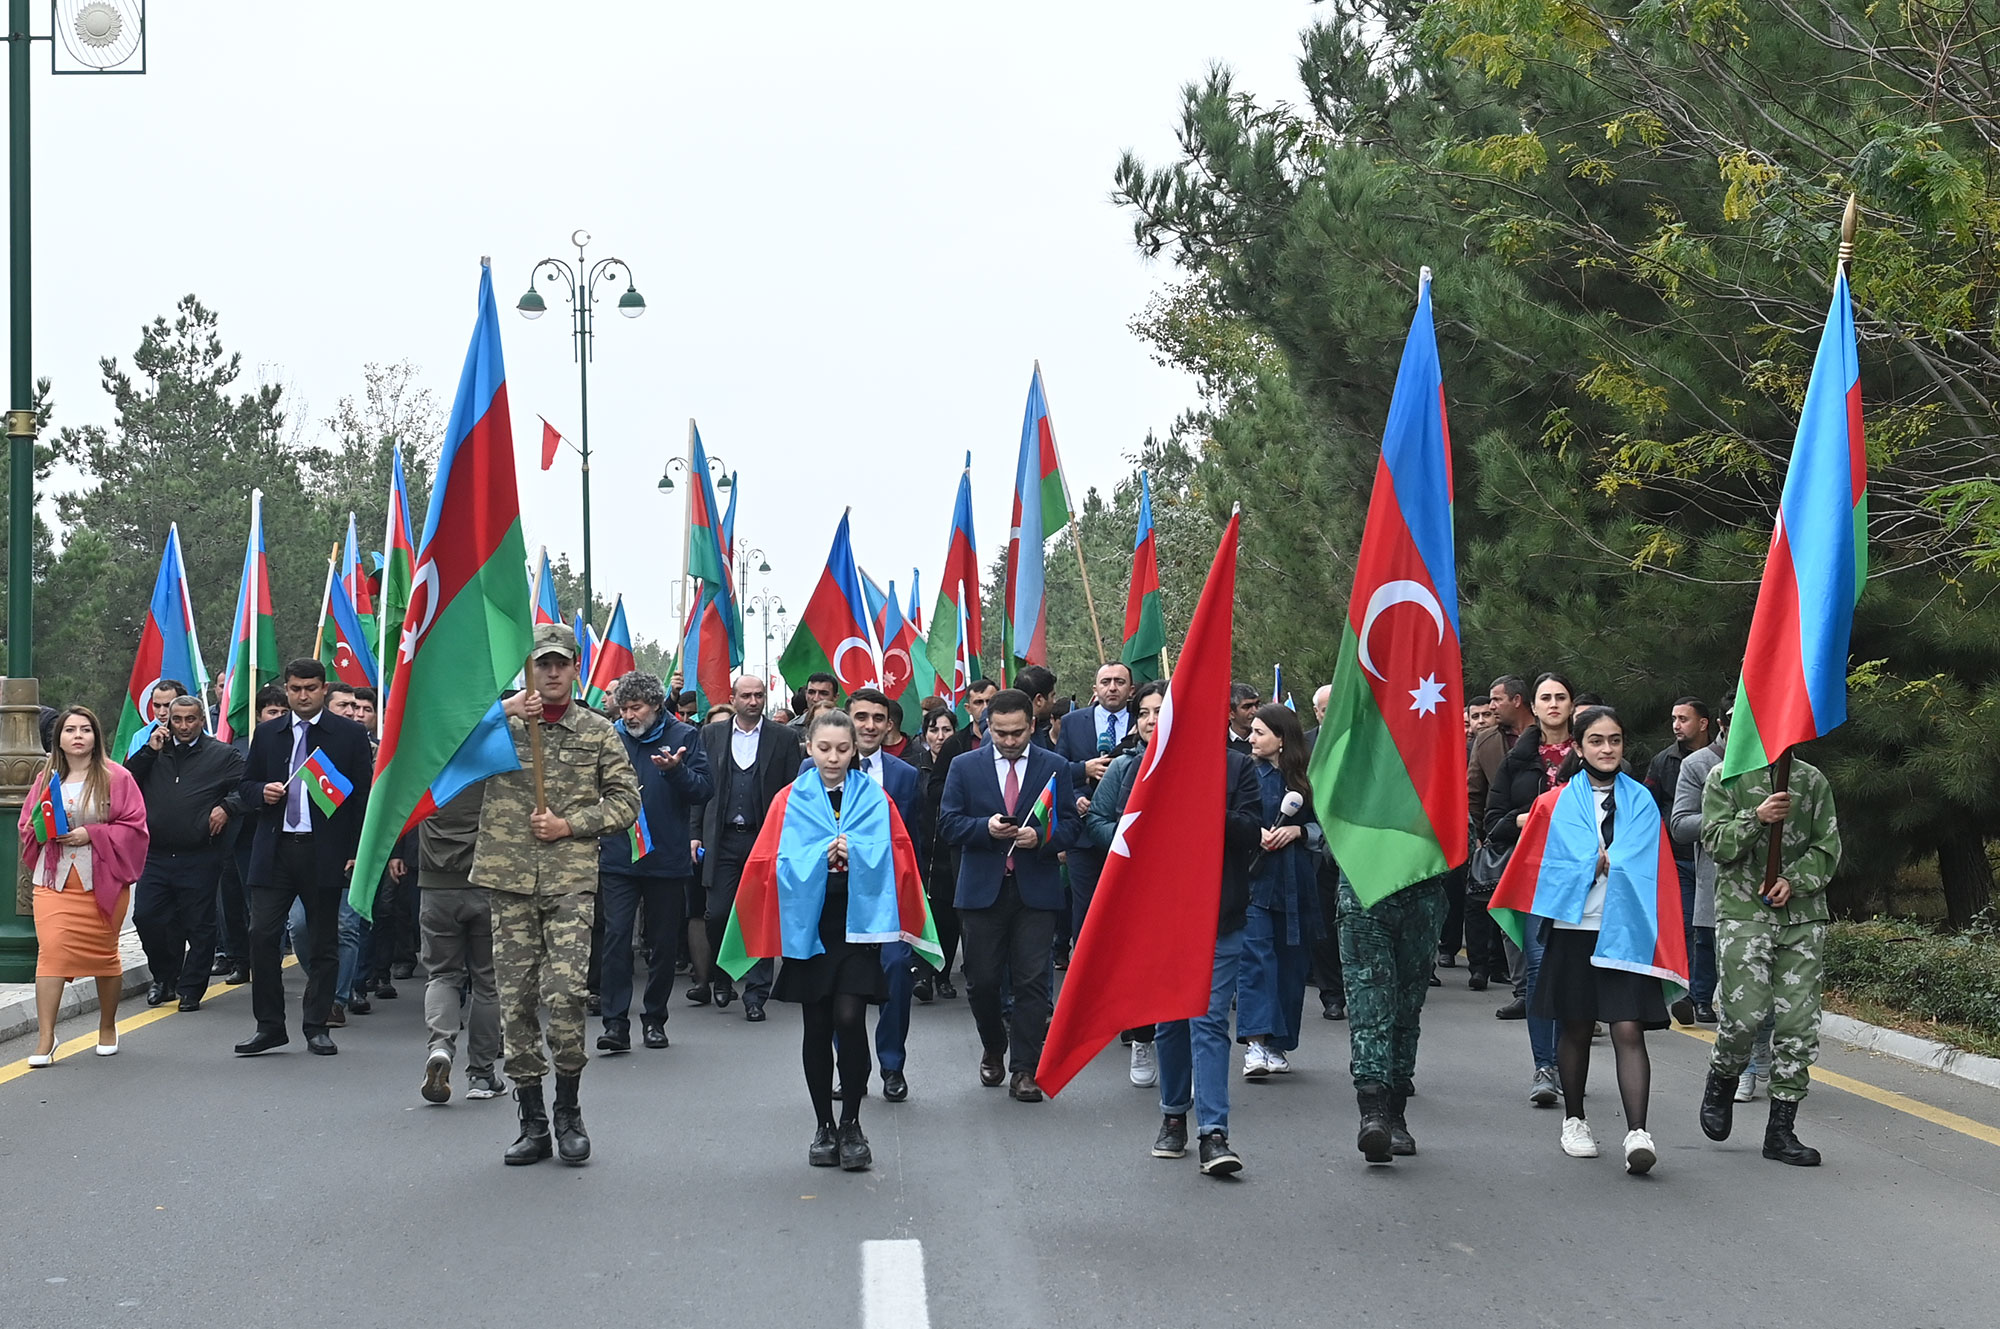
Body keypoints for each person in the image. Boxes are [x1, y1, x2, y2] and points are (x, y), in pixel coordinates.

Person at [719, 707, 935, 1171]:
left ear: (855, 749)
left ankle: (853, 1122)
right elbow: (769, 862)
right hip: (809, 926)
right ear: (809, 748)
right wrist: (821, 854)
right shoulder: (788, 799)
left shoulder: (875, 797)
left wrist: (855, 853)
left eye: (842, 748)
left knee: (850, 1015)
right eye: (824, 748)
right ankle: (824, 1125)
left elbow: (898, 856)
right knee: (816, 1025)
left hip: (857, 924)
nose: (833, 757)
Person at [1494, 705, 1685, 1175]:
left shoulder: (1640, 800)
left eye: (1615, 741)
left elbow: (1651, 864)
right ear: (1578, 747)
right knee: (1576, 1027)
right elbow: (1537, 866)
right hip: (1572, 931)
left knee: (1627, 1027)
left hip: (1624, 932)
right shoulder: (1552, 803)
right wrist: (1586, 862)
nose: (1607, 749)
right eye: (1597, 741)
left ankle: (1638, 1131)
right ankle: (1574, 1120)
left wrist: (1613, 861)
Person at [477, 623, 641, 1166]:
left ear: (575, 668)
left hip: (570, 877)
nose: (550, 672)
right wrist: (503, 714)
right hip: (508, 878)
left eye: (560, 663)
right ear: (529, 668)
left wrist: (571, 825)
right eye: (541, 663)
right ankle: (532, 1121)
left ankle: (569, 1108)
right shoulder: (498, 726)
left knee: (566, 994)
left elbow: (625, 802)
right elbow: (443, 745)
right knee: (516, 1000)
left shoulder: (597, 731)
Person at [1697, 744, 1841, 1167]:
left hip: (1802, 916)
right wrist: (1756, 818)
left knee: (1799, 1026)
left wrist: (1794, 881)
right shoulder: (1725, 778)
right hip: (1744, 910)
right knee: (1745, 1017)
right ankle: (1723, 1077)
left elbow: (1826, 846)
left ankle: (1781, 1131)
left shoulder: (1812, 781)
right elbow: (1718, 844)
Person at [938, 686, 1077, 1101]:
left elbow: (1071, 824)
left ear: (1031, 725)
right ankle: (994, 1044)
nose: (1010, 740)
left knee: (1032, 981)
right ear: (987, 729)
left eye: (1017, 732)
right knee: (981, 981)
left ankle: (1024, 1069)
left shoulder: (1055, 766)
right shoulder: (965, 766)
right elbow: (947, 824)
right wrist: (985, 829)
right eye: (1000, 733)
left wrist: (1044, 838)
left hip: (1035, 890)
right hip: (983, 890)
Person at [233, 659, 375, 1058]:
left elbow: (363, 797)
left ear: (324, 689)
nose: (302, 695)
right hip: (275, 849)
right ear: (287, 688)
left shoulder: (347, 734)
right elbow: (245, 785)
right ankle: (269, 1025)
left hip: (323, 850)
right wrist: (262, 792)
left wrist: (355, 853)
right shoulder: (268, 733)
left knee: (322, 940)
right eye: (295, 688)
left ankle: (317, 1025)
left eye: (310, 688)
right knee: (262, 936)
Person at [18, 707, 151, 1066]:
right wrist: (43, 830)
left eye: (85, 729)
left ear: (96, 737)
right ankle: (46, 1037)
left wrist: (90, 833)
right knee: (51, 953)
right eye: (70, 730)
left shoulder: (117, 777)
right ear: (58, 738)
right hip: (53, 882)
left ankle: (107, 1026)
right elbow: (26, 826)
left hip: (101, 882)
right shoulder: (46, 778)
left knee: (105, 956)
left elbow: (135, 827)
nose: (78, 736)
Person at [597, 670, 712, 1053]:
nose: (629, 715)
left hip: (665, 857)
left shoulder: (683, 737)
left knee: (661, 943)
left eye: (637, 707)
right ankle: (615, 1023)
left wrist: (676, 771)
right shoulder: (610, 737)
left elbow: (703, 790)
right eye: (624, 707)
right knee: (616, 940)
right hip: (617, 856)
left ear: (656, 706)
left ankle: (654, 1019)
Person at [1482, 671, 1575, 1105]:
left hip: (1586, 879)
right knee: (1539, 969)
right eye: (1546, 698)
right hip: (1534, 877)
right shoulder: (1516, 761)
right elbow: (1492, 822)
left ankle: (1571, 1063)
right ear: (1532, 708)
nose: (1553, 704)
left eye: (1561, 697)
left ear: (1573, 705)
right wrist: (1527, 818)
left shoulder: (1595, 754)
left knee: (1577, 973)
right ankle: (1545, 1066)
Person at [694, 672, 804, 1017]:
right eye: (746, 696)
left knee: (760, 915)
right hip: (722, 838)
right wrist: (694, 831)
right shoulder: (711, 734)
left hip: (764, 838)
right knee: (719, 914)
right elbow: (699, 786)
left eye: (758, 695)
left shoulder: (783, 738)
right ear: (734, 697)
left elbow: (791, 793)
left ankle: (756, 994)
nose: (753, 701)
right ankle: (724, 973)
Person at [128, 693, 245, 1011]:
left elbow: (245, 788)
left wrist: (227, 806)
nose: (182, 726)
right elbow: (125, 781)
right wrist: (149, 751)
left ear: (201, 721)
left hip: (199, 854)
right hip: (156, 854)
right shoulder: (155, 752)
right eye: (175, 719)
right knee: (148, 917)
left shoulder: (222, 754)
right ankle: (164, 978)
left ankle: (191, 988)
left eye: (190, 719)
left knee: (199, 925)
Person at [1081, 680, 1170, 1088]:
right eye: (1145, 713)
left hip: (1178, 887)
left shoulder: (1199, 762)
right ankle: (1142, 1037)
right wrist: (1132, 833)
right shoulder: (1120, 766)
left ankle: (1179, 1051)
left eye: (1159, 711)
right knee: (1139, 966)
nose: (1152, 720)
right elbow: (1097, 823)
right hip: (1131, 886)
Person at [840, 688, 927, 1102]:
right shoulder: (813, 769)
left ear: (888, 723)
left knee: (895, 974)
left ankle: (892, 1065)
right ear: (847, 720)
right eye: (861, 717)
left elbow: (913, 841)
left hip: (890, 899)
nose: (870, 726)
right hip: (839, 899)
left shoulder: (905, 775)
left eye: (878, 718)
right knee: (844, 984)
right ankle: (848, 1067)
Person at [1236, 704, 1322, 1078]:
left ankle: (1277, 1044)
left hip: (1297, 882)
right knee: (1255, 959)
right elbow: (1229, 820)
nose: (1251, 738)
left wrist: (1299, 832)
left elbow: (1327, 828)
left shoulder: (1307, 779)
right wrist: (1253, 833)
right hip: (1252, 882)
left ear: (1282, 739)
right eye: (1251, 731)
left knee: (1291, 964)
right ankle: (1254, 1043)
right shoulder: (1244, 775)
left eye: (1259, 732)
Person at [416, 781, 507, 1105]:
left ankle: (440, 1046)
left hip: (436, 885)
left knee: (442, 974)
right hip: (487, 883)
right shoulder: (493, 765)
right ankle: (481, 1074)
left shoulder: (429, 766)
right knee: (487, 980)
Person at [1053, 662, 1135, 938]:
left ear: (1131, 689)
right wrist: (1075, 796)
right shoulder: (1073, 723)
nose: (1112, 687)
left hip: (1130, 832)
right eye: (1106, 681)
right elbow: (1058, 770)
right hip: (1084, 834)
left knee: (1127, 908)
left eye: (1119, 682)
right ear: (1095, 688)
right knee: (1086, 908)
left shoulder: (1145, 720)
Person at [214, 686, 289, 986]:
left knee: (260, 906)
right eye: (272, 712)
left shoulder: (294, 743)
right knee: (229, 901)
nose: (278, 717)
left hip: (268, 834)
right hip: (234, 835)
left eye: (284, 712)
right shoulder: (237, 746)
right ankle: (238, 960)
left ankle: (268, 961)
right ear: (258, 715)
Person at [1646, 697, 1713, 1025]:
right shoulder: (1664, 761)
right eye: (1674, 718)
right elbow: (1648, 803)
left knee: (1707, 932)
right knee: (1686, 927)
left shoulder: (1720, 760)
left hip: (1712, 859)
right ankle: (1685, 994)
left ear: (1704, 723)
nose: (1676, 725)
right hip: (1677, 858)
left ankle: (1703, 997)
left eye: (1684, 719)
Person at [1464, 674, 1530, 990]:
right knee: (1506, 915)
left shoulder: (1543, 736)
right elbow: (1474, 789)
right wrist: (1475, 832)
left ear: (1517, 700)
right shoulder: (1486, 740)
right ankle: (1520, 987)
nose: (1491, 706)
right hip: (1502, 838)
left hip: (1543, 837)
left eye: (1497, 699)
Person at [913, 705, 963, 1001]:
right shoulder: (915, 766)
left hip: (949, 853)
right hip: (920, 851)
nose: (940, 736)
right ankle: (921, 973)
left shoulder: (961, 765)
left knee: (947, 918)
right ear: (925, 734)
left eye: (946, 729)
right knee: (922, 915)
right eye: (934, 729)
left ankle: (943, 976)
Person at [1304, 684, 1345, 1022]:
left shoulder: (1364, 742)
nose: (1330, 713)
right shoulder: (1302, 745)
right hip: (1316, 849)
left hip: (1356, 849)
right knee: (1322, 925)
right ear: (1316, 712)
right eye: (1324, 708)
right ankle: (1332, 994)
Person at [1227, 683, 1259, 754]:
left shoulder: (1267, 741)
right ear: (1230, 713)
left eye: (1257, 705)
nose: (1255, 711)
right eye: (1247, 707)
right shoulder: (1217, 743)